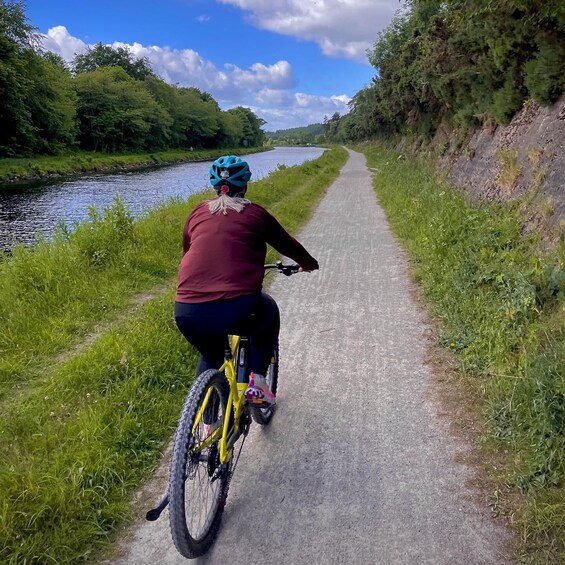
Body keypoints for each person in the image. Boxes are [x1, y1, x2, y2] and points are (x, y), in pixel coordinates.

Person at [174, 155, 319, 406]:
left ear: (214, 187)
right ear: (246, 185)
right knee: (268, 312)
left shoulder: (197, 212)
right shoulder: (255, 214)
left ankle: (208, 423)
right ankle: (258, 383)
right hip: (237, 306)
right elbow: (288, 245)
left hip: (187, 309)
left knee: (211, 355)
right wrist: (308, 263)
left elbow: (188, 250)